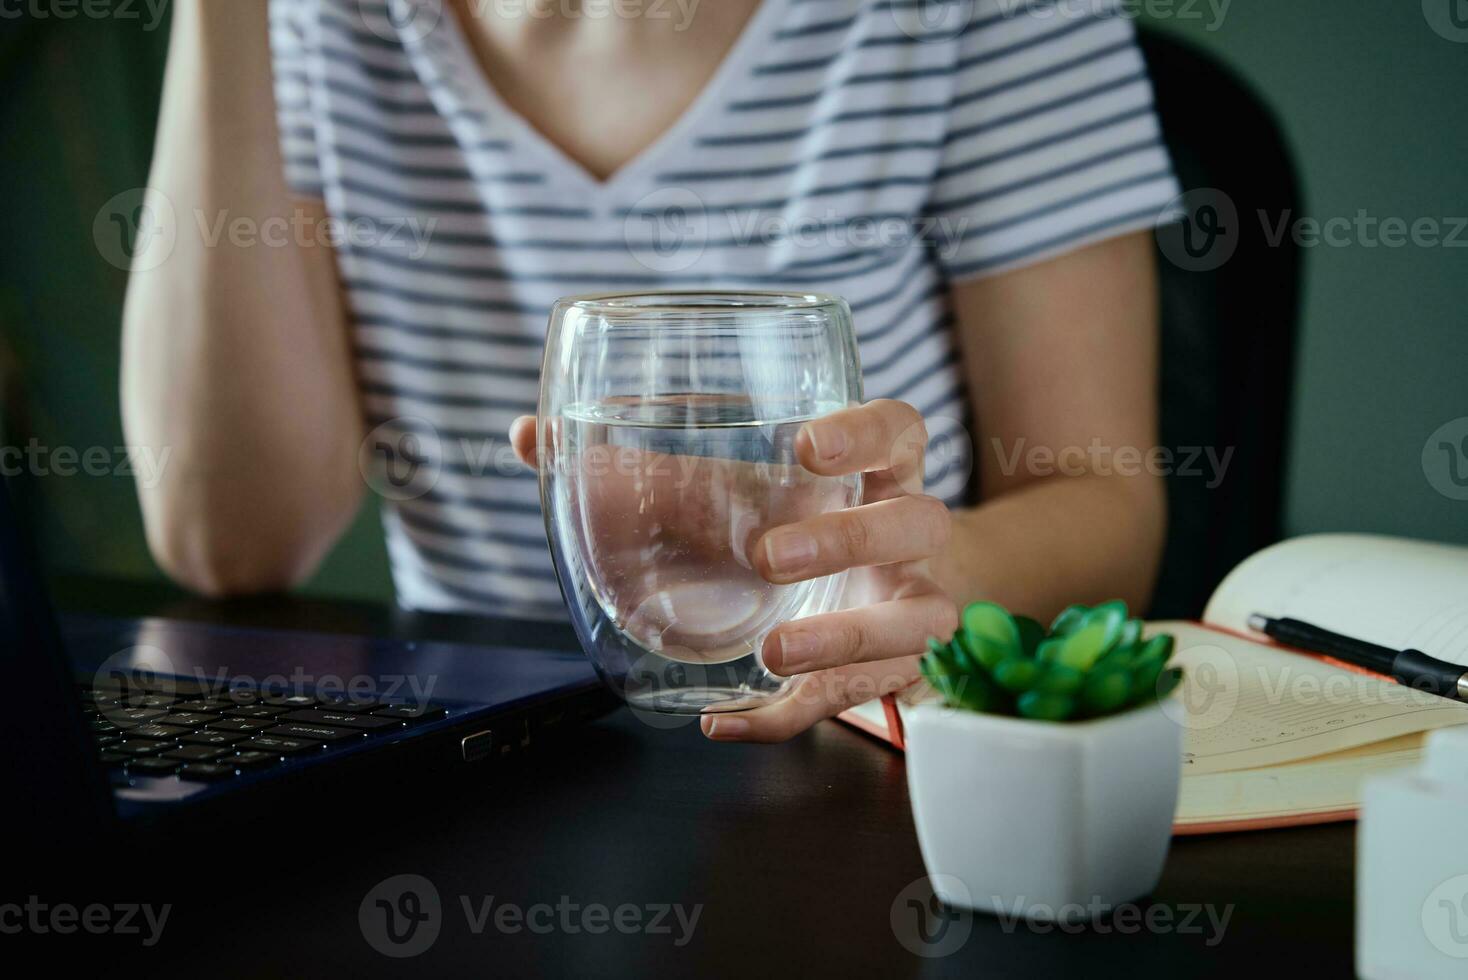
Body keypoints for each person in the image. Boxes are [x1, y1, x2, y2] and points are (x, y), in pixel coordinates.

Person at [123, 0, 1176, 742]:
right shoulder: (320, 21)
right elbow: (234, 538)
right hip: (467, 772)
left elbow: (1103, 507)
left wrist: (921, 578)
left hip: (849, 756)